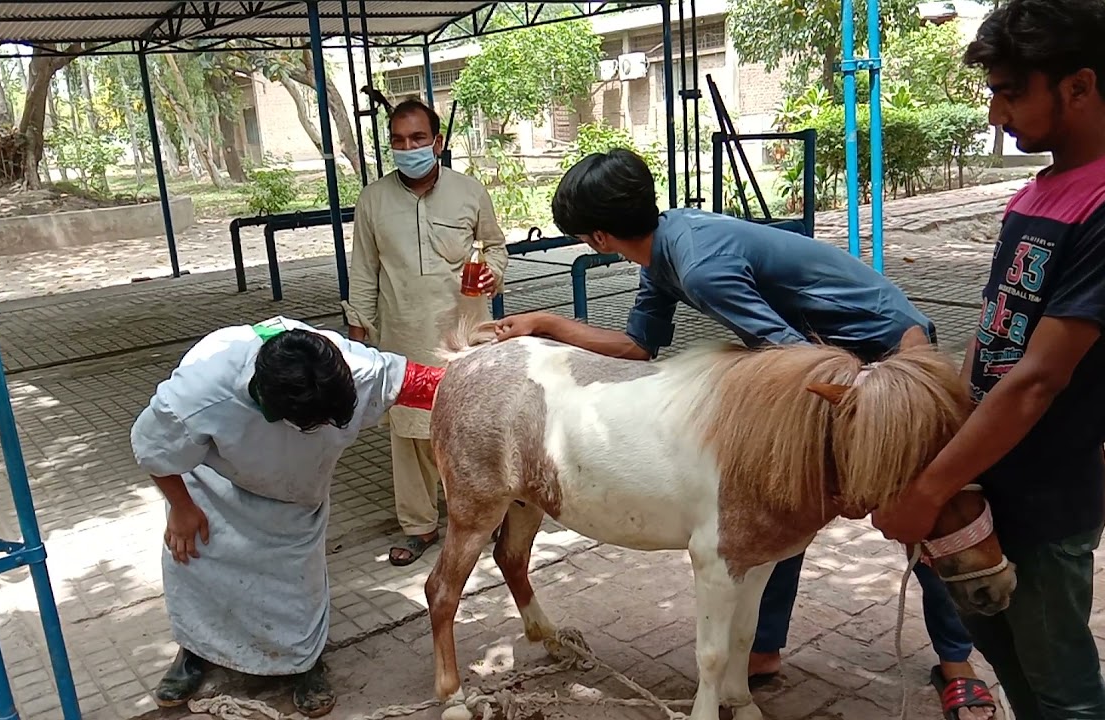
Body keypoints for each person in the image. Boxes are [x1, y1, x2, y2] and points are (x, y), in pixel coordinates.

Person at [495, 148, 996, 720]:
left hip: (881, 354)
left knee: (926, 507)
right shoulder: (666, 248)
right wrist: (545, 324)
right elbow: (639, 346)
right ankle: (759, 651)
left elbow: (794, 359)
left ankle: (958, 663)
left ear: (598, 238)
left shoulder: (701, 266)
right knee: (777, 506)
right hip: (831, 361)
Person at [872, 2, 1105, 719]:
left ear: (1079, 86)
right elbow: (994, 331)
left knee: (1062, 694)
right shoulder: (1038, 192)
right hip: (985, 481)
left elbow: (1037, 379)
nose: (998, 112)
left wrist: (925, 491)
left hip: (1044, 497)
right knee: (1014, 671)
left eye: (1012, 91)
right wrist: (950, 458)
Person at [130, 316, 445, 716]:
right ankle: (196, 650)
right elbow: (150, 446)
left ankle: (303, 662)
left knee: (297, 586)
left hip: (294, 497)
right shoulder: (201, 390)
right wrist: (181, 507)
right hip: (212, 489)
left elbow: (419, 381)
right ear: (275, 411)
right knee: (198, 571)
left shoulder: (350, 365)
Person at [343, 98, 508, 567]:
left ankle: (482, 516)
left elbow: (495, 247)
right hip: (404, 334)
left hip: (466, 335)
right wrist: (358, 335)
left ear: (438, 142)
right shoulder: (372, 201)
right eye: (398, 140)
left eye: (417, 139)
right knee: (411, 434)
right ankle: (419, 525)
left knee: (473, 428)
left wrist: (493, 273)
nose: (408, 147)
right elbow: (363, 272)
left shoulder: (470, 191)